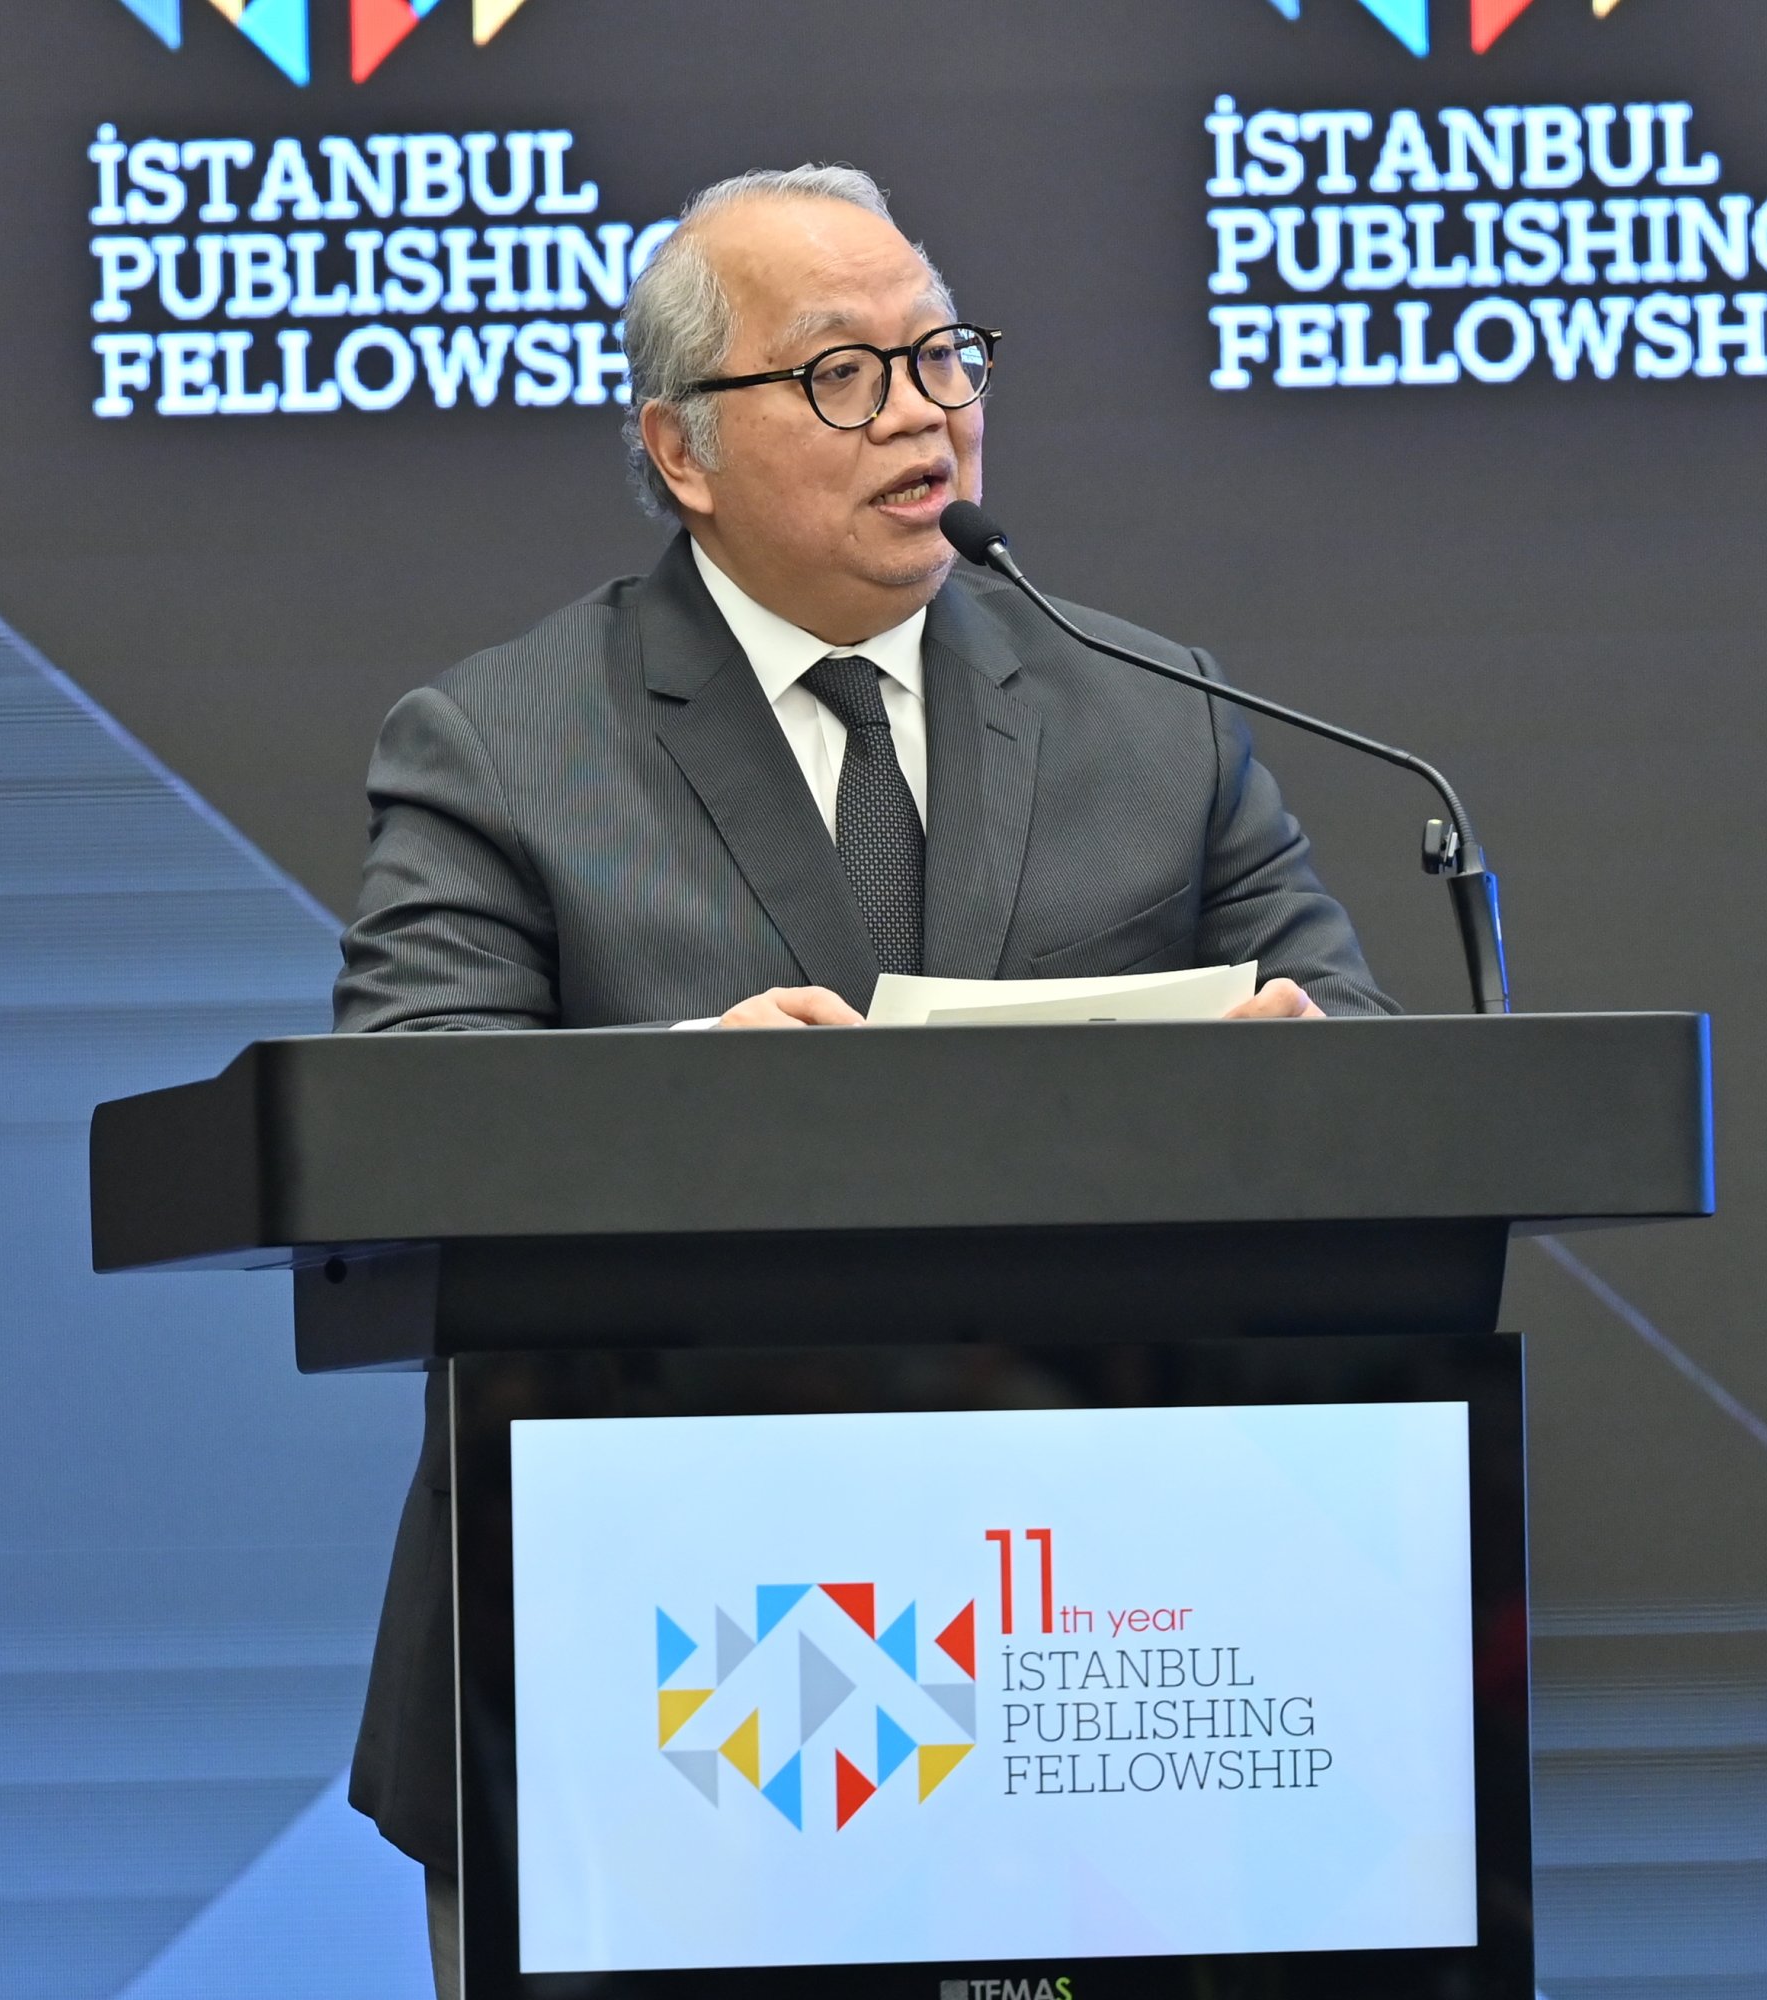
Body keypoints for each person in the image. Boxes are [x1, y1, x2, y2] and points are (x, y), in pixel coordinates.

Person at [331, 163, 1397, 1995]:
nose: (922, 412)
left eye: (943, 355)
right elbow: (400, 1111)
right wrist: (683, 1092)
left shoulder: (1160, 717)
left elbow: (1361, 1057)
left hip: (1106, 1666)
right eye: (841, 373)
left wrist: (1289, 1078)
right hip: (658, 1668)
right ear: (680, 451)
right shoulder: (500, 742)